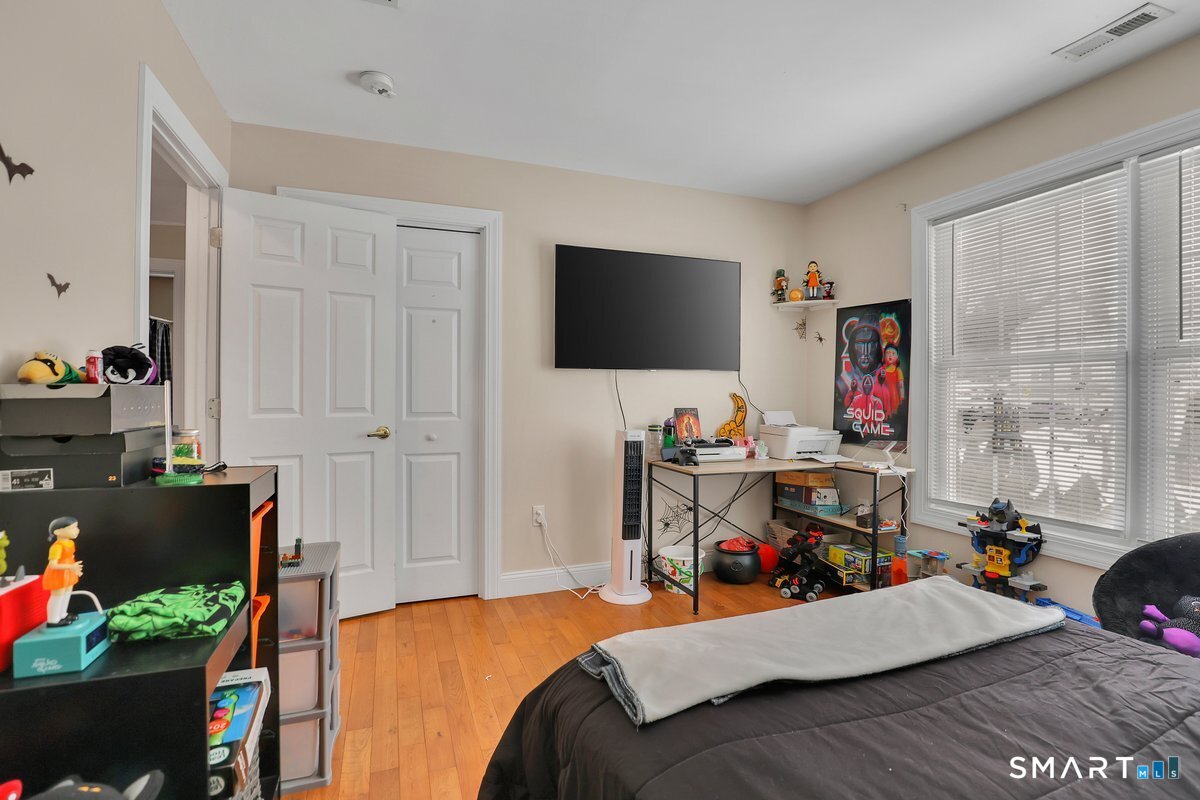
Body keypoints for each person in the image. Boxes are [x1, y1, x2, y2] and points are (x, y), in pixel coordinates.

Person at [43, 516, 83, 626]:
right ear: (58, 532)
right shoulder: (57, 547)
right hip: (58, 574)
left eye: (76, 527)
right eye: (73, 528)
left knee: (67, 593)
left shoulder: (70, 543)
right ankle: (53, 619)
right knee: (58, 596)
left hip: (68, 572)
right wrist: (70, 567)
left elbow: (70, 557)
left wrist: (75, 569)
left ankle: (62, 614)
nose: (77, 530)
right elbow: (53, 565)